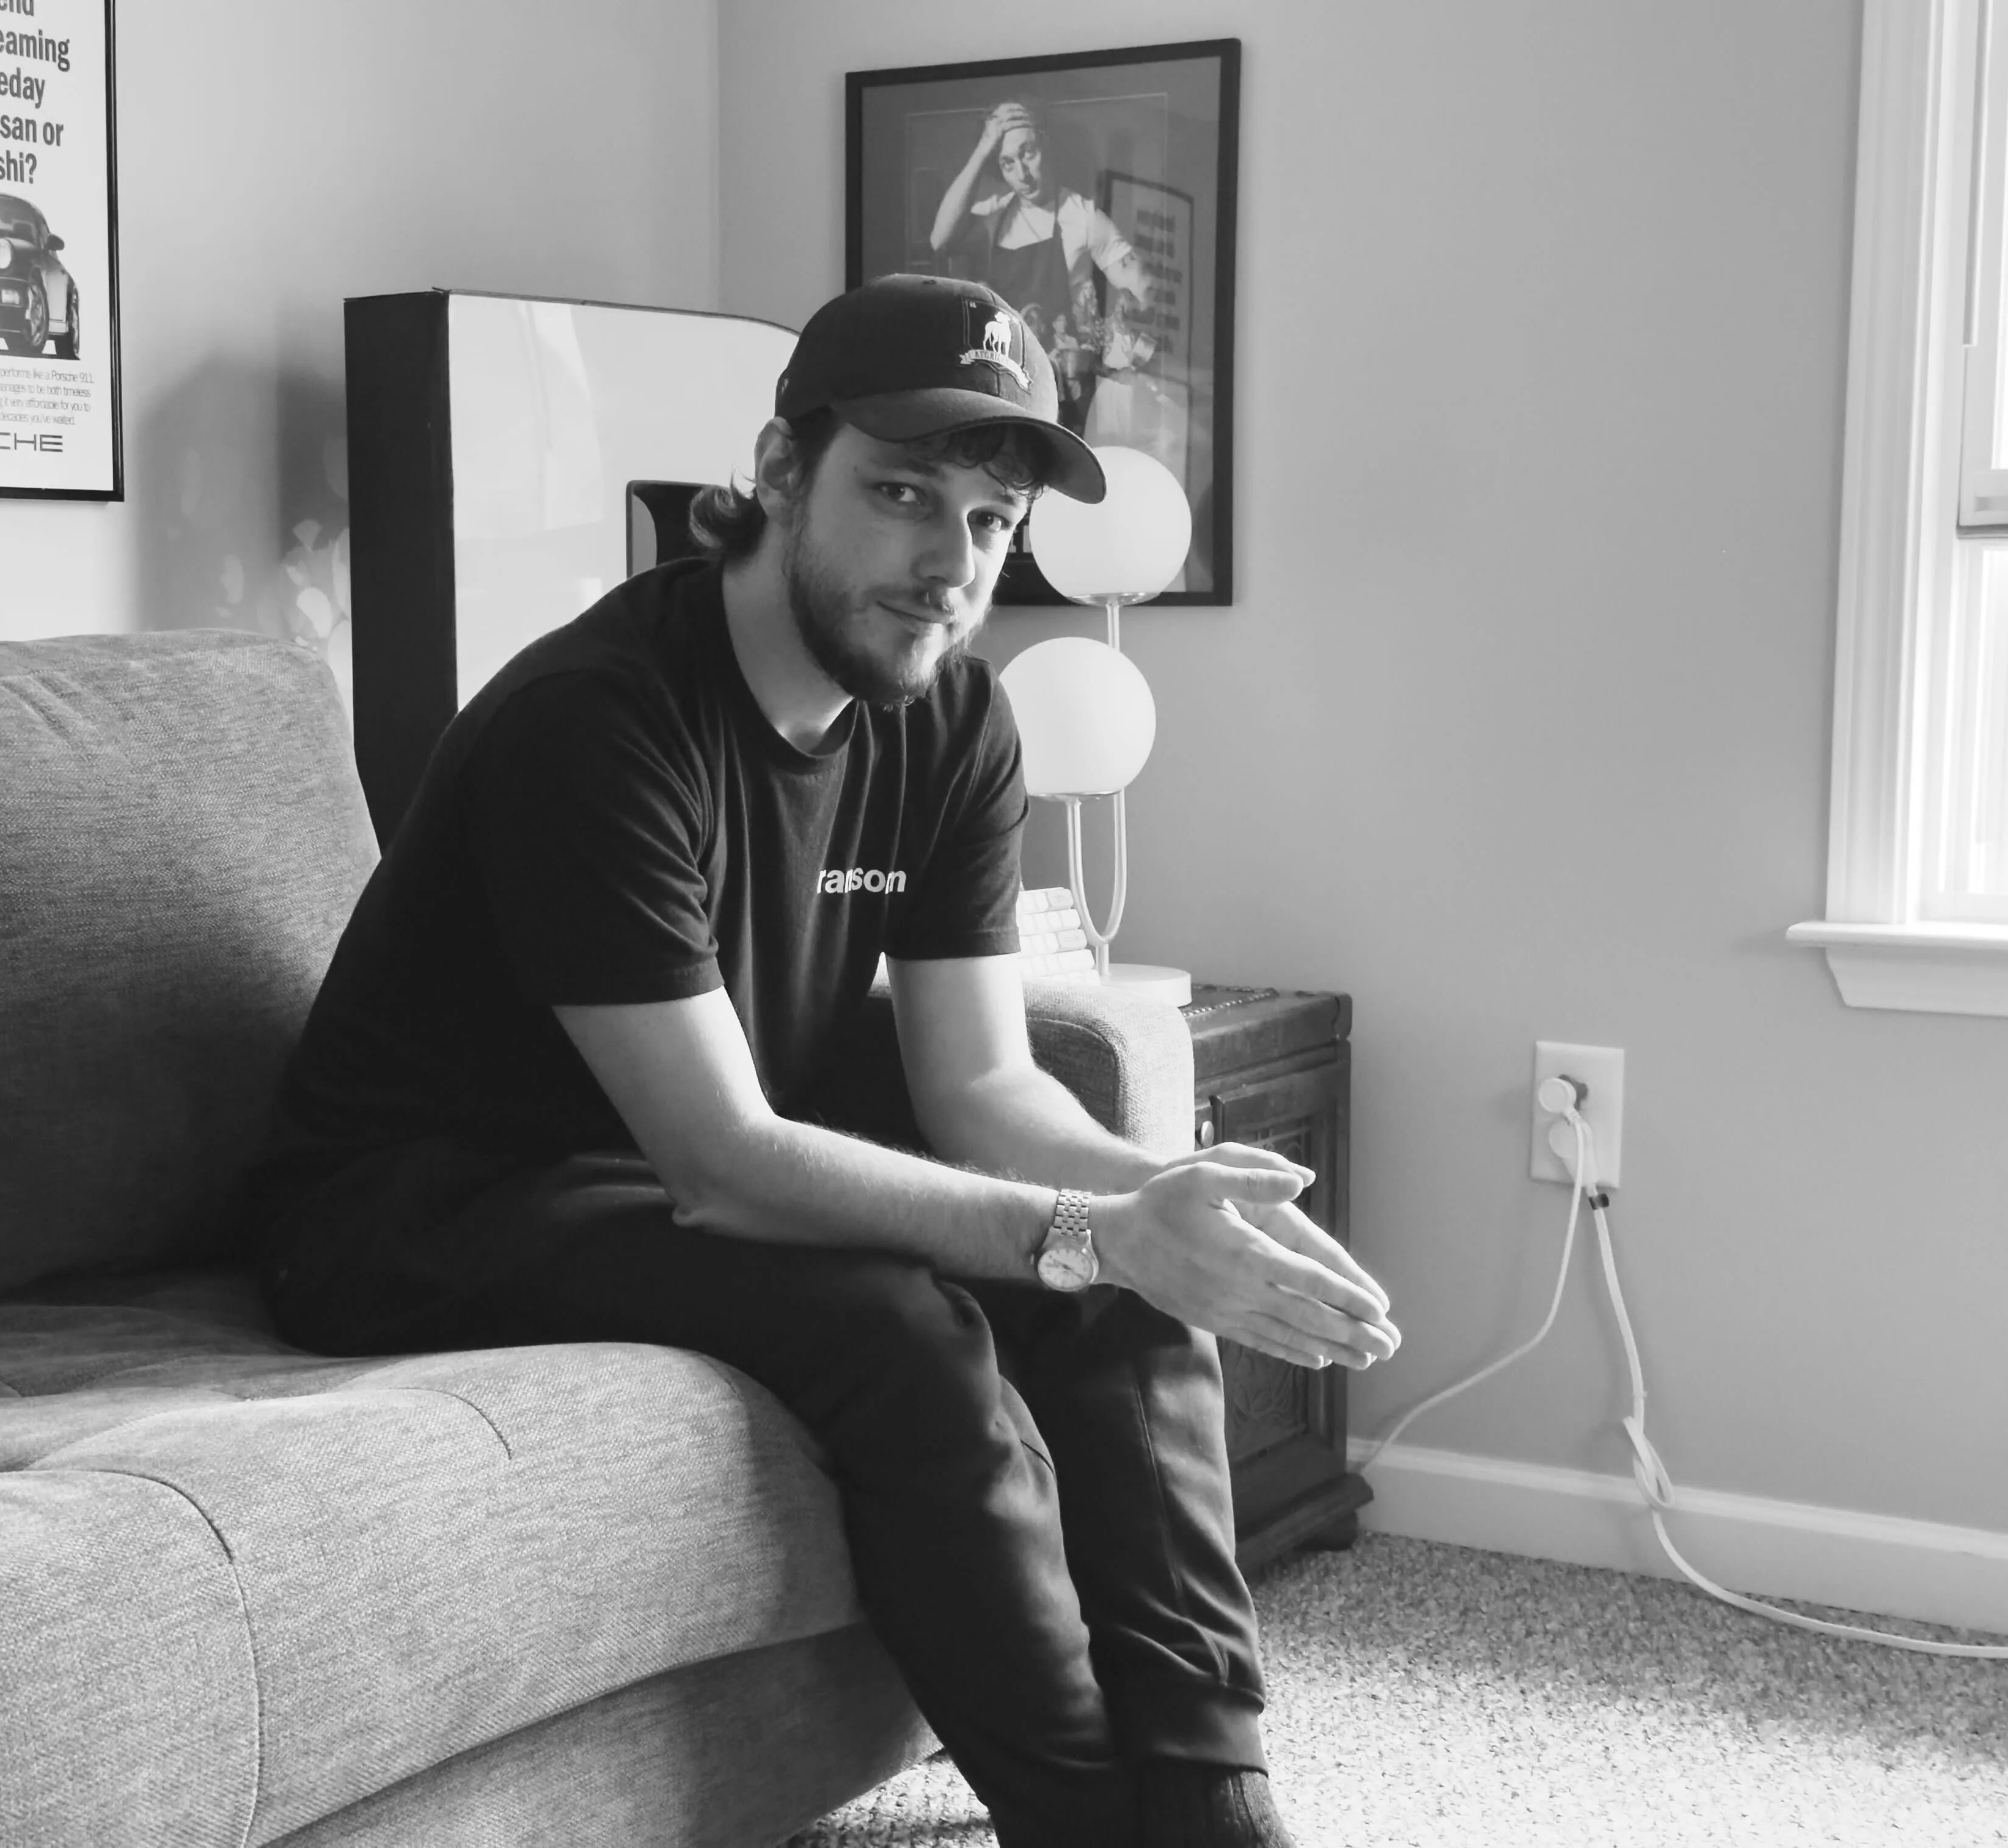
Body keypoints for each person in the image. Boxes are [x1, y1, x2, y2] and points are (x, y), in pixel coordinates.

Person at [247, 272, 1401, 1848]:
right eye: (902, 494)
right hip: (428, 1199)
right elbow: (721, 1161)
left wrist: (1169, 1207)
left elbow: (982, 1090)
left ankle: (1215, 1805)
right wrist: (1081, 1231)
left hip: (661, 1156)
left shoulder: (956, 722)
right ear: (782, 474)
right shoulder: (599, 722)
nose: (949, 566)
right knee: (901, 1324)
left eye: (990, 522)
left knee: (1131, 1284)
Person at [928, 101, 1154, 436]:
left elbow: (1144, 296)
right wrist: (982, 151)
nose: (1022, 174)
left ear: (1047, 147)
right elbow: (940, 240)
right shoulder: (995, 215)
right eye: (1008, 164)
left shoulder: (1083, 217)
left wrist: (1099, 356)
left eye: (1028, 153)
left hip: (1062, 390)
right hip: (1000, 384)